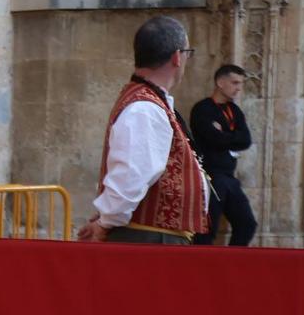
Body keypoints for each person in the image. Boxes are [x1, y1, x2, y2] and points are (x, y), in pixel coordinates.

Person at [77, 15, 209, 244]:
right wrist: (105, 221)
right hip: (148, 238)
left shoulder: (148, 102)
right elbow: (131, 175)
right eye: (188, 53)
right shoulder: (144, 109)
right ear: (177, 57)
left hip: (153, 235)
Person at [188, 64, 257, 246]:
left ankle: (232, 265)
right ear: (220, 82)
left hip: (229, 177)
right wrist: (230, 136)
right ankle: (201, 271)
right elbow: (212, 139)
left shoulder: (234, 111)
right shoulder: (202, 109)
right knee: (206, 230)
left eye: (241, 84)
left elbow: (246, 140)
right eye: (235, 83)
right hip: (210, 177)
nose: (238, 88)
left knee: (247, 224)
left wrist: (223, 133)